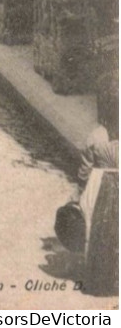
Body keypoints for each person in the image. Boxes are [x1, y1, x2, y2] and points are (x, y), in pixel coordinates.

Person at [77, 77, 119, 296]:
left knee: (96, 228)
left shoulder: (97, 135)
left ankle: (98, 276)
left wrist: (80, 188)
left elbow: (84, 169)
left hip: (100, 183)